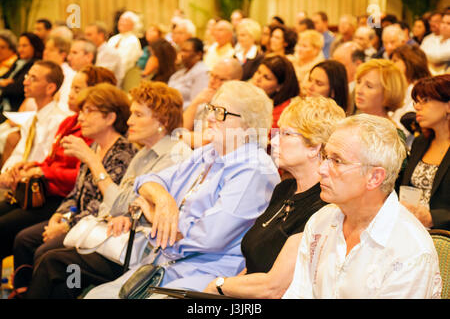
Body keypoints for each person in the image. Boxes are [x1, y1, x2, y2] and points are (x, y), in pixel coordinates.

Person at [76, 80, 281, 299]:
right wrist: (163, 200)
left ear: (248, 126)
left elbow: (207, 237)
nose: (210, 117)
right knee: (96, 296)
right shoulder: (208, 153)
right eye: (211, 108)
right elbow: (146, 181)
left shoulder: (254, 169)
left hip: (206, 274)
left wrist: (154, 214)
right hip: (165, 262)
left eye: (221, 112)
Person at [15, 80, 193, 296]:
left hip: (139, 251)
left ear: (162, 120)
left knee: (52, 261)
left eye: (138, 114)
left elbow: (125, 205)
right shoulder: (143, 153)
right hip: (114, 236)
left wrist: (94, 164)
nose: (128, 121)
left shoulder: (175, 155)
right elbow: (114, 205)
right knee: (61, 277)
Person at [283, 114, 442, 299]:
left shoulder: (410, 249)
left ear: (374, 177)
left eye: (337, 161)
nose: (322, 169)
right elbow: (299, 294)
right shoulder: (321, 221)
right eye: (325, 156)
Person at [204, 96, 346, 298]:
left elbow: (273, 287)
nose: (274, 140)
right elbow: (254, 267)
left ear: (314, 147)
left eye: (286, 134)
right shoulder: (285, 189)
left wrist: (218, 285)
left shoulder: (322, 204)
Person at [0, 66, 118, 288]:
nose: (72, 94)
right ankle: (22, 286)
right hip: (56, 196)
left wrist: (64, 219)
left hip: (61, 197)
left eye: (78, 89)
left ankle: (25, 287)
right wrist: (33, 165)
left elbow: (84, 186)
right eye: (73, 88)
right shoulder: (70, 122)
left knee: (27, 240)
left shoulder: (96, 135)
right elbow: (54, 162)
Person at [399, 74, 450, 231]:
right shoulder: (420, 142)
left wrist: (431, 218)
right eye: (417, 101)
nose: (417, 107)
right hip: (409, 227)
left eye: (425, 101)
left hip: (443, 235)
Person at [0, 61, 69, 173]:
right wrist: (6, 172)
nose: (26, 82)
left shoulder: (58, 121)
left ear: (50, 88)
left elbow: (45, 161)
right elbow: (19, 153)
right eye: (27, 76)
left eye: (33, 79)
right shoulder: (32, 119)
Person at [354, 59, 407, 136]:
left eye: (369, 86)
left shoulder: (392, 135)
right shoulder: (356, 122)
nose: (359, 90)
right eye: (359, 82)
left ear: (388, 93)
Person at [390, 44, 431, 138]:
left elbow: (403, 132)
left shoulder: (420, 91)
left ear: (409, 62)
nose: (391, 65)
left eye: (395, 61)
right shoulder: (400, 88)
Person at [251, 55, 299, 129]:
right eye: (258, 72)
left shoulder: (283, 115)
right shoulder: (250, 95)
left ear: (279, 86)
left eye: (266, 77)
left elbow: (273, 138)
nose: (258, 79)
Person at [0, 32, 44, 113]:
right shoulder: (19, 61)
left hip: (15, 108)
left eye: (24, 46)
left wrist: (5, 85)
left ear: (34, 46)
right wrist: (3, 83)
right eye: (19, 46)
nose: (20, 49)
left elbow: (18, 88)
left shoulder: (35, 64)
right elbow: (4, 77)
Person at [167, 38, 209, 110]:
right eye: (181, 50)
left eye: (185, 51)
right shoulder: (180, 73)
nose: (181, 54)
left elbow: (197, 104)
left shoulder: (203, 73)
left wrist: (172, 106)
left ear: (198, 54)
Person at [84, 22, 125, 87]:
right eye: (85, 35)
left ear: (101, 36)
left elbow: (100, 78)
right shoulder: (93, 51)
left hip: (108, 91)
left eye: (89, 35)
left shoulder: (110, 53)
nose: (85, 38)